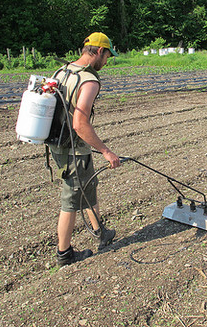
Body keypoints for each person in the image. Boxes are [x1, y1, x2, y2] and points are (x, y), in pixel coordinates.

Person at [50, 32, 121, 266]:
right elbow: (80, 123)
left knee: (88, 185)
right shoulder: (89, 80)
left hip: (58, 142)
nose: (107, 62)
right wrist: (106, 151)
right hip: (73, 149)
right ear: (99, 51)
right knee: (70, 201)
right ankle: (64, 254)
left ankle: (101, 232)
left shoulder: (62, 71)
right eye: (108, 56)